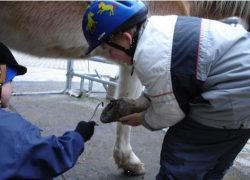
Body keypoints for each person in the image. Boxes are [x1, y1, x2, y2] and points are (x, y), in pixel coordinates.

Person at [82, 1, 250, 180]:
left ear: (126, 39)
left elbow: (170, 112)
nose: (109, 57)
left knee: (180, 156)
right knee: (213, 166)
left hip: (229, 100)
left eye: (108, 50)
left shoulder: (148, 57)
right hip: (242, 103)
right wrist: (141, 101)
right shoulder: (160, 29)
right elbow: (175, 81)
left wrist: (142, 119)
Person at [0, 41, 96, 179]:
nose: (12, 88)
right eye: (10, 81)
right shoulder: (13, 132)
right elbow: (52, 155)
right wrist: (79, 135)